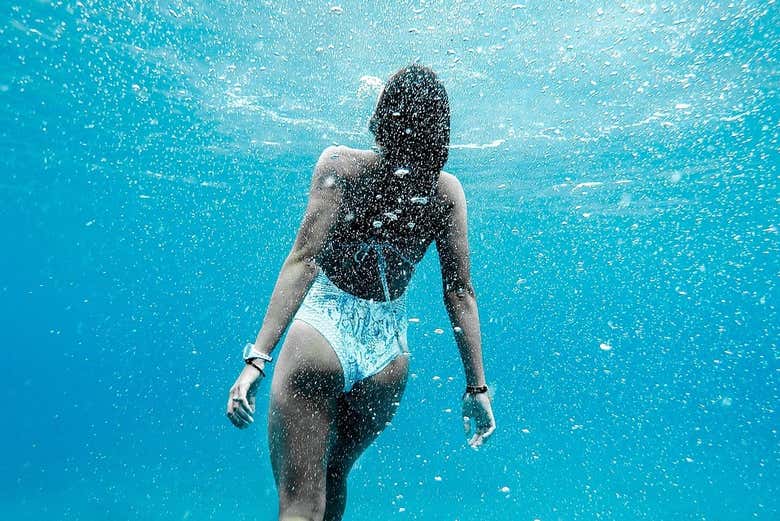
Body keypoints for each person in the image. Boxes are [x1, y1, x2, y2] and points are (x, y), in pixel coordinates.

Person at [226, 65, 496, 521]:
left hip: (321, 337)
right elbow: (460, 293)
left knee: (300, 506)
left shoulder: (340, 167)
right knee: (334, 480)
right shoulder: (447, 193)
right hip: (388, 356)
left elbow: (304, 261)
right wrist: (477, 386)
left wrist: (257, 358)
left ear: (381, 116)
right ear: (441, 132)